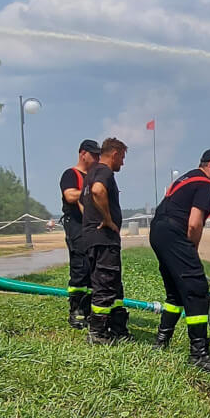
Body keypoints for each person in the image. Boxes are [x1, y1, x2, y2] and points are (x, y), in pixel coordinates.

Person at [150, 149, 210, 372]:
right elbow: (194, 223)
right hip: (175, 233)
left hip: (158, 231)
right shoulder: (205, 184)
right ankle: (198, 354)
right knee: (197, 289)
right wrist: (191, 249)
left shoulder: (185, 178)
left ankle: (161, 341)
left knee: (175, 291)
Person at [81, 138, 131, 344]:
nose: (123, 163)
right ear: (115, 153)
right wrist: (108, 219)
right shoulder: (104, 172)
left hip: (92, 237)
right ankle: (97, 333)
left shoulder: (91, 172)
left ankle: (117, 327)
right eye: (122, 158)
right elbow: (98, 190)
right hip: (104, 238)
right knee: (105, 283)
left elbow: (84, 200)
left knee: (112, 285)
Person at [58, 138, 101, 328]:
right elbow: (69, 195)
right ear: (83, 154)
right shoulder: (71, 174)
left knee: (93, 267)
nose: (97, 159)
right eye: (94, 155)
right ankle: (76, 311)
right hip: (76, 224)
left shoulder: (94, 176)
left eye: (99, 156)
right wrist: (90, 190)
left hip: (93, 225)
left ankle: (89, 309)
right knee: (80, 266)